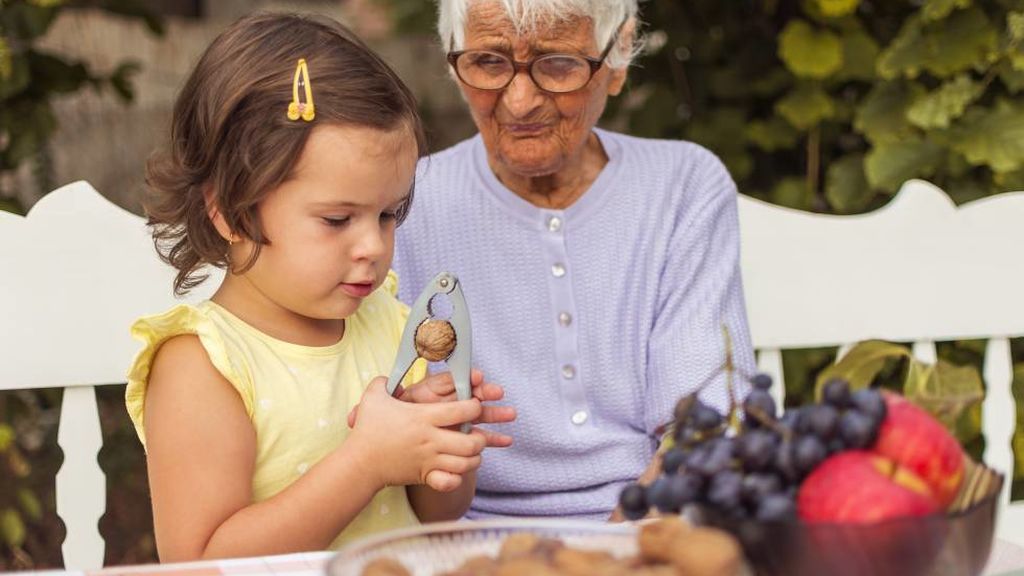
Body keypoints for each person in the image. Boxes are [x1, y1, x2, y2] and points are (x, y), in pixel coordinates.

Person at [125, 12, 514, 561]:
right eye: (337, 220)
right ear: (231, 212)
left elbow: (436, 518)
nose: (374, 247)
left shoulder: (390, 325)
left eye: (387, 214)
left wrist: (440, 447)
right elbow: (200, 564)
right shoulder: (203, 365)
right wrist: (366, 463)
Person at [393, 0, 756, 521]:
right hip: (458, 534)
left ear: (618, 56)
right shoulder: (405, 202)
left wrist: (618, 547)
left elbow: (706, 418)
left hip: (656, 519)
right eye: (489, 62)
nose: (519, 102)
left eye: (558, 64)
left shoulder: (683, 186)